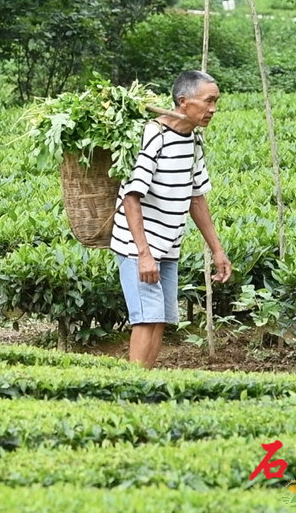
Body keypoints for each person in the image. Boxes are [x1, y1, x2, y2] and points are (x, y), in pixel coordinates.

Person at [110, 70, 232, 369]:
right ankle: (132, 389)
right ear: (183, 101)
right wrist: (144, 254)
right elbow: (131, 196)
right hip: (137, 246)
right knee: (146, 318)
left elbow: (196, 197)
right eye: (208, 101)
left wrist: (217, 250)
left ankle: (146, 384)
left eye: (216, 102)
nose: (213, 109)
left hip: (169, 246)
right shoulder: (155, 135)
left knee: (161, 318)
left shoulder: (193, 140)